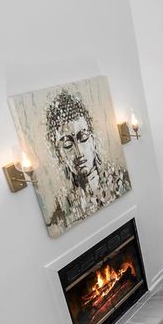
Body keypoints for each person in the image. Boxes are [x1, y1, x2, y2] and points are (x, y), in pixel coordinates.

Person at [42, 90, 131, 232]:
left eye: (83, 138)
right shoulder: (61, 217)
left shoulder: (122, 181)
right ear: (59, 155)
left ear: (93, 141)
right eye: (67, 145)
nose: (79, 152)